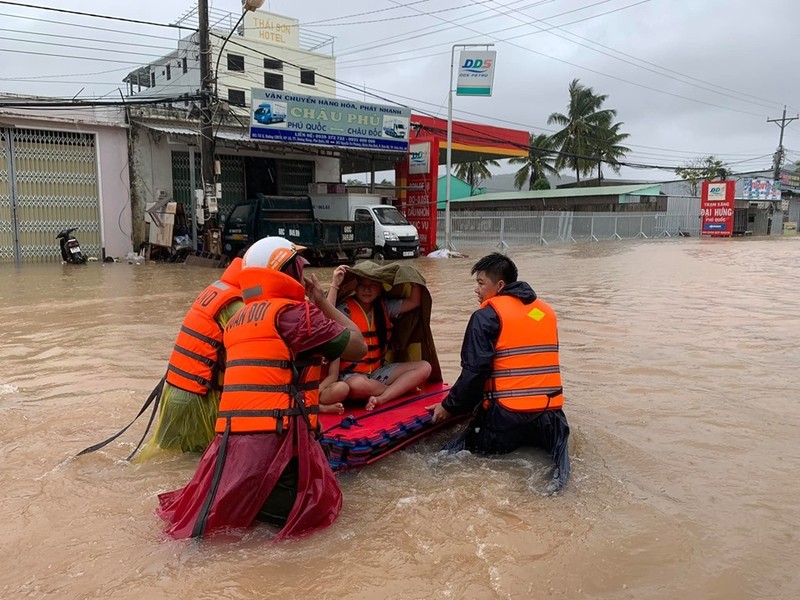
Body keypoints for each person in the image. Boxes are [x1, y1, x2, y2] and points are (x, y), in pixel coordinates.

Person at [157, 237, 367, 540]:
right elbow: (357, 347)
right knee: (315, 520)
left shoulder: (239, 318)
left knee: (244, 530)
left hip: (231, 450)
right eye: (299, 267)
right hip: (279, 450)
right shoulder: (295, 317)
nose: (305, 274)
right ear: (286, 272)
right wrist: (321, 300)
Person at [427, 252, 571, 492]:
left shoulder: (486, 317)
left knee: (440, 458)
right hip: (551, 418)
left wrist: (449, 407)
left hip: (506, 419)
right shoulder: (545, 312)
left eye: (481, 283)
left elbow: (474, 373)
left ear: (500, 285)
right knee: (557, 479)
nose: (476, 289)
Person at [136, 258, 245, 460]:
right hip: (196, 401)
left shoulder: (217, 290)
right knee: (194, 465)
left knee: (162, 458)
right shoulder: (236, 306)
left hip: (175, 391)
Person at [327, 264, 431, 411]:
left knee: (425, 367)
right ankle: (400, 388)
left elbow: (415, 302)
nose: (366, 289)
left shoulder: (385, 307)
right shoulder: (345, 308)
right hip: (351, 375)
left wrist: (412, 278)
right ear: (355, 286)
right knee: (358, 386)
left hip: (378, 371)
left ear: (380, 288)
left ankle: (382, 398)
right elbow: (327, 316)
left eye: (372, 285)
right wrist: (334, 284)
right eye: (362, 284)